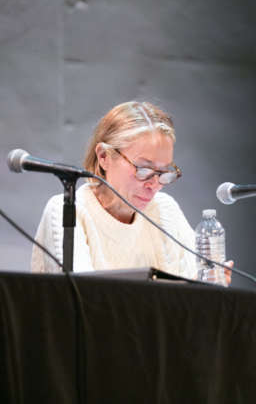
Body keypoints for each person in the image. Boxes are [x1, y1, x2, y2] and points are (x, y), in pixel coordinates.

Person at [31, 101, 202, 280]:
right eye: (143, 169)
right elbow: (82, 298)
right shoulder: (67, 209)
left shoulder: (165, 209)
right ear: (104, 157)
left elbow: (196, 288)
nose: (155, 184)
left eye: (164, 172)